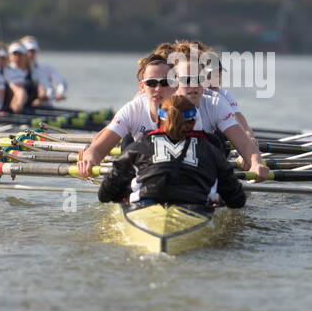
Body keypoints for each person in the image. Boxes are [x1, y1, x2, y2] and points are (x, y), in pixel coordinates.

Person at [76, 52, 270, 181]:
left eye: (164, 83)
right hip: (148, 176)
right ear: (142, 86)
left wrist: (255, 163)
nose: (158, 89)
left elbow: (244, 143)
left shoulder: (198, 108)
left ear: (173, 85)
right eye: (152, 83)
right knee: (129, 146)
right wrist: (90, 160)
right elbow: (99, 148)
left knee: (214, 144)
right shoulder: (133, 108)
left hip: (190, 174)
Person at [97, 94, 246, 209]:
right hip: (195, 208)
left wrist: (125, 194)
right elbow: (238, 200)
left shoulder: (138, 147)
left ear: (159, 122)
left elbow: (104, 194)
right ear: (194, 122)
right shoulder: (212, 150)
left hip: (145, 207)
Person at [20, 36, 66, 103]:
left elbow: (60, 82)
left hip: (45, 105)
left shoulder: (46, 68)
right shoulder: (12, 70)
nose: (30, 54)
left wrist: (60, 93)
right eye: (28, 51)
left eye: (33, 51)